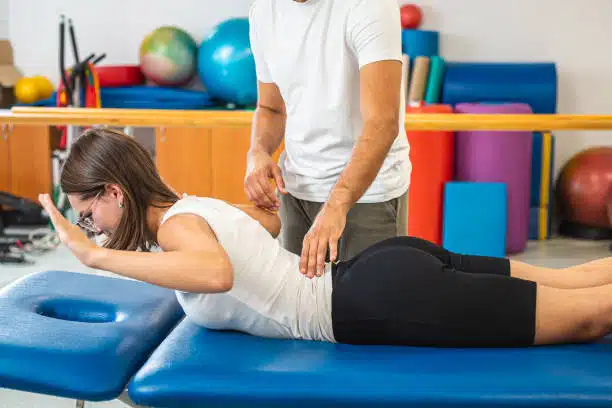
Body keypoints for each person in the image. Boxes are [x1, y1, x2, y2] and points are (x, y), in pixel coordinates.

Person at [40, 128, 612, 348]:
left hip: (373, 302)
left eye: (90, 211)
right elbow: (260, 232)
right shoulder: (190, 207)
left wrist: (96, 257)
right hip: (381, 272)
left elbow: (218, 273)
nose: (94, 226)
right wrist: (263, 206)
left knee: (590, 316)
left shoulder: (179, 227)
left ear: (115, 192)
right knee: (572, 284)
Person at [244, 0, 411, 279]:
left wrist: (337, 204)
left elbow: (382, 123)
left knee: (370, 313)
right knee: (303, 314)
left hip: (368, 195)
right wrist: (258, 151)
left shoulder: (368, 6)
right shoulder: (263, 11)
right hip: (297, 191)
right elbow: (271, 108)